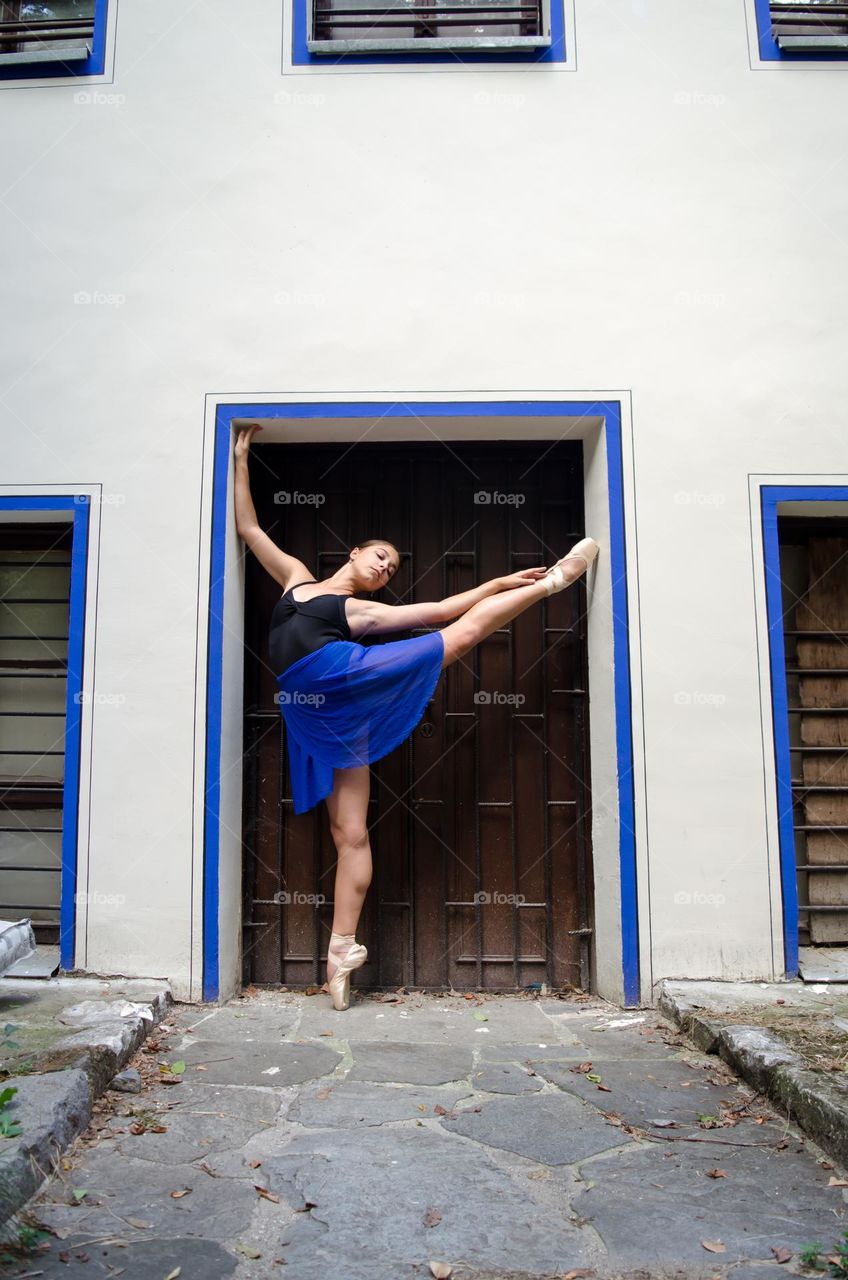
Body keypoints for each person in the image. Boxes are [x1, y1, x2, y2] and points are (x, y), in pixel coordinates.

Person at [234, 425, 599, 1010]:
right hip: (315, 714)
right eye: (381, 556)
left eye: (393, 568)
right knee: (346, 833)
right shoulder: (297, 577)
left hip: (343, 677)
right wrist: (239, 459)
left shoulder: (361, 613)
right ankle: (342, 951)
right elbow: (250, 528)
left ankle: (555, 581)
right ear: (354, 550)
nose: (385, 568)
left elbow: (445, 607)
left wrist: (503, 578)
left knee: (456, 636)